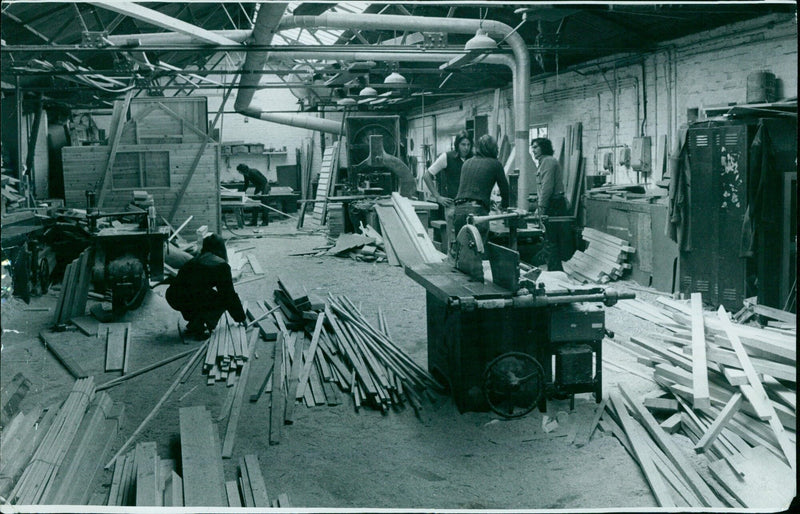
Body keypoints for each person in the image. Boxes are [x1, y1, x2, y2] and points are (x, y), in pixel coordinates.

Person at [166, 233, 246, 340]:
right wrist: (240, 317)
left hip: (173, 295)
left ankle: (194, 322)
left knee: (201, 292)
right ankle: (198, 328)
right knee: (222, 300)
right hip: (186, 297)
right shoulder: (221, 265)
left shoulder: (196, 259)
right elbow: (228, 295)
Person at [452, 134, 510, 244]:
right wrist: (504, 207)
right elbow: (505, 190)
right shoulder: (495, 164)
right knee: (477, 251)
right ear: (493, 149)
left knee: (461, 250)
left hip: (458, 210)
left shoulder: (467, 162)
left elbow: (469, 188)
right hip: (477, 212)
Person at [422, 131, 472, 250]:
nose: (466, 148)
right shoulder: (447, 157)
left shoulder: (474, 159)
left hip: (470, 205)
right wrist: (438, 197)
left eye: (468, 145)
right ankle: (452, 264)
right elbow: (427, 175)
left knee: (470, 240)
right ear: (457, 145)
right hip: (453, 206)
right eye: (463, 144)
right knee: (454, 242)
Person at [531, 137, 568, 271]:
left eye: (536, 147)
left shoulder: (547, 161)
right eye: (532, 147)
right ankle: (555, 268)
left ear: (544, 147)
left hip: (554, 204)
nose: (533, 150)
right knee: (550, 239)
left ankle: (555, 270)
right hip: (554, 202)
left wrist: (541, 207)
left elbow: (547, 187)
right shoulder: (545, 162)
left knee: (551, 240)